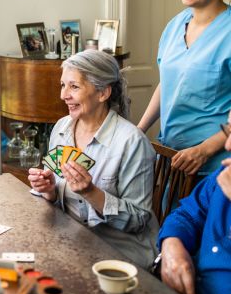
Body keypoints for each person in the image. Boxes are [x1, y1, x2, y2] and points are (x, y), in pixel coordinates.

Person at [27, 50, 159, 269]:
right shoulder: (61, 128)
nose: (63, 95)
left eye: (74, 86)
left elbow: (138, 219)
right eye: (63, 85)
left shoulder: (132, 142)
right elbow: (60, 201)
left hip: (119, 254)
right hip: (71, 240)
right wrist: (49, 190)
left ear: (103, 93)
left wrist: (91, 193)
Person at [138, 0, 231, 178]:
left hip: (215, 167)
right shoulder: (174, 26)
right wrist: (137, 132)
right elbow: (168, 84)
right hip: (171, 160)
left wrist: (204, 150)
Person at [157, 111, 231, 294]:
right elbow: (187, 214)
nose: (228, 145)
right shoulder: (224, 172)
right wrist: (172, 243)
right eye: (229, 130)